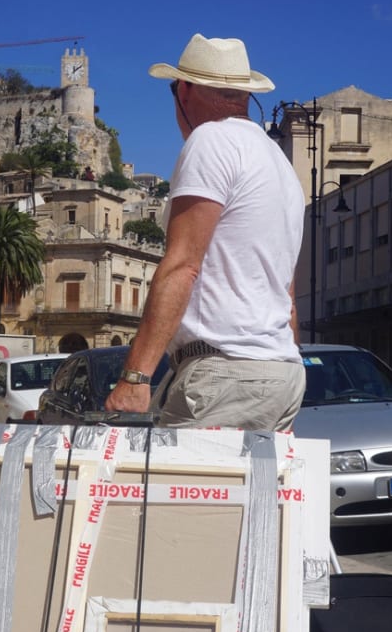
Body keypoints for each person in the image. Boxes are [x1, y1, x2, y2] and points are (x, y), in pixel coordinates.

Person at [104, 32, 306, 431]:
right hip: (282, 372)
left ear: (185, 89)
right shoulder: (279, 164)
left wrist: (135, 378)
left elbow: (182, 265)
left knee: (168, 475)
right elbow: (287, 297)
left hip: (222, 375)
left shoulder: (211, 139)